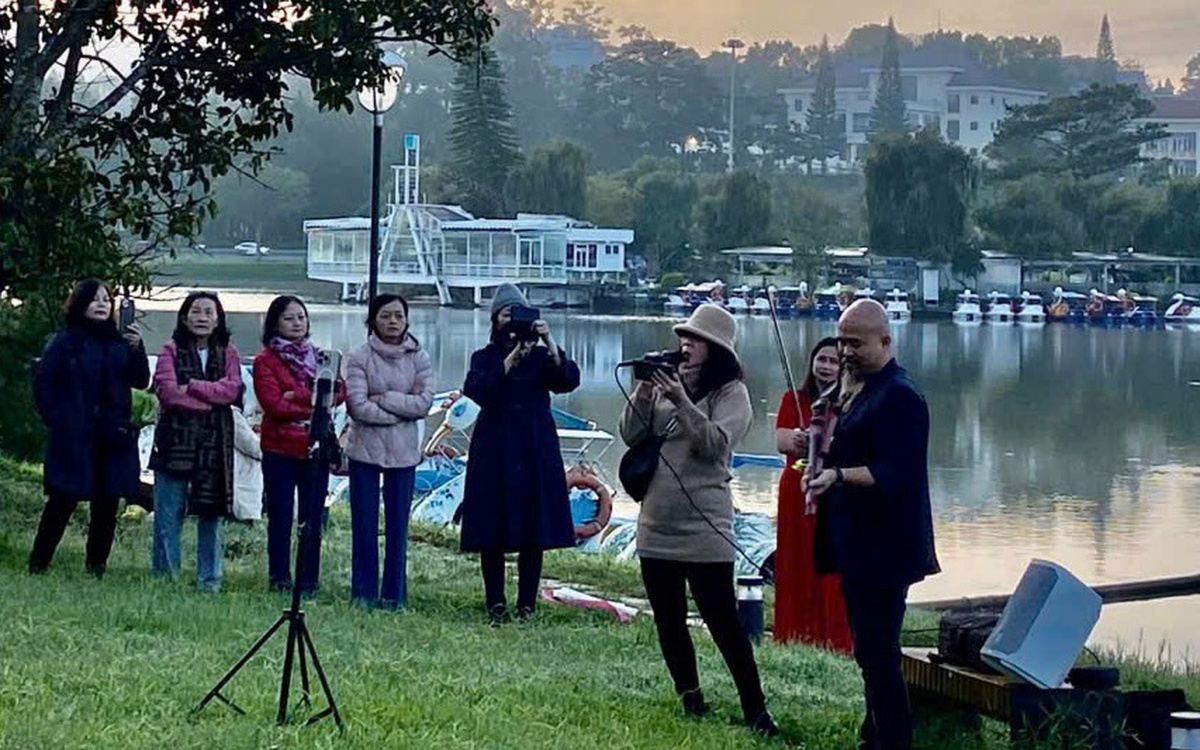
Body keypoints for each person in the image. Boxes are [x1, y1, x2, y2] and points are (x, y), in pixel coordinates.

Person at [618, 303, 778, 738]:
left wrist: (681, 401)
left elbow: (715, 444)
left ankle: (755, 709)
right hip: (656, 521)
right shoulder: (667, 382)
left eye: (695, 340)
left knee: (724, 623)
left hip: (705, 526)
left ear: (716, 348)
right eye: (683, 338)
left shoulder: (732, 394)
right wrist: (646, 389)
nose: (685, 345)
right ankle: (690, 696)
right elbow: (630, 434)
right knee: (668, 619)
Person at [805, 299, 940, 750]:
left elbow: (896, 471)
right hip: (857, 544)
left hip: (887, 548)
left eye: (856, 344)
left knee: (879, 655)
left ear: (885, 341)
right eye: (842, 342)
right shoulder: (857, 390)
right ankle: (873, 737)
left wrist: (838, 476)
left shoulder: (901, 395)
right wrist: (820, 463)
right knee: (868, 650)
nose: (846, 352)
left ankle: (894, 741)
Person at [459, 284, 580, 625]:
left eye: (518, 314)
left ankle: (527, 604)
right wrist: (511, 358)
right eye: (506, 314)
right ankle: (495, 603)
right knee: (491, 527)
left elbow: (567, 380)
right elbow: (479, 390)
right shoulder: (484, 357)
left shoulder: (541, 357)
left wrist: (548, 341)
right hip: (494, 447)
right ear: (494, 320)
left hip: (534, 446)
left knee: (534, 526)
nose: (512, 321)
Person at [29, 279, 150, 576]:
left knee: (107, 505)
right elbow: (44, 385)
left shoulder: (119, 342)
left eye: (106, 300)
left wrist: (137, 349)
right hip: (74, 435)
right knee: (62, 500)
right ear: (80, 303)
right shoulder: (64, 341)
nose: (101, 305)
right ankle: (39, 563)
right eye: (95, 299)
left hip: (112, 434)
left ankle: (96, 568)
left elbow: (140, 380)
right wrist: (58, 420)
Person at [344, 293, 433, 610]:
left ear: (407, 320)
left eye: (398, 315)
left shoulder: (419, 357)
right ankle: (363, 594)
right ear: (373, 320)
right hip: (364, 452)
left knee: (398, 529)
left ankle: (394, 596)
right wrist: (400, 411)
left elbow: (423, 404)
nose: (393, 321)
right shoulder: (359, 357)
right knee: (364, 526)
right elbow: (358, 406)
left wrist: (384, 399)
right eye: (385, 316)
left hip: (404, 454)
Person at [150, 291, 243, 593]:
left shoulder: (228, 353)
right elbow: (167, 392)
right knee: (168, 515)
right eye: (196, 311)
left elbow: (232, 390)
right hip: (174, 441)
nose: (202, 318)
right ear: (184, 317)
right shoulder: (170, 350)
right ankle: (166, 579)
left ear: (218, 319)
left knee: (211, 515)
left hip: (215, 445)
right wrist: (210, 401)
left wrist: (191, 386)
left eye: (208, 312)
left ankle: (209, 581)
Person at [253, 294, 345, 595]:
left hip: (315, 446)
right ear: (275, 323)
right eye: (289, 318)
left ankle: (308, 581)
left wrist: (298, 395)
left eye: (301, 317)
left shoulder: (320, 357)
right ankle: (279, 577)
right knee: (280, 516)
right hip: (279, 448)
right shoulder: (266, 360)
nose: (296, 323)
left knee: (312, 517)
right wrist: (315, 397)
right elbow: (274, 404)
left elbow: (339, 393)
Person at [772, 336, 853, 652]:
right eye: (822, 360)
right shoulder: (794, 399)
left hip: (831, 492)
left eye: (834, 362)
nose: (826, 367)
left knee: (829, 567)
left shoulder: (849, 403)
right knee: (795, 561)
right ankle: (792, 632)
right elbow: (781, 441)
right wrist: (799, 439)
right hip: (796, 490)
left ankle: (832, 637)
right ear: (812, 362)